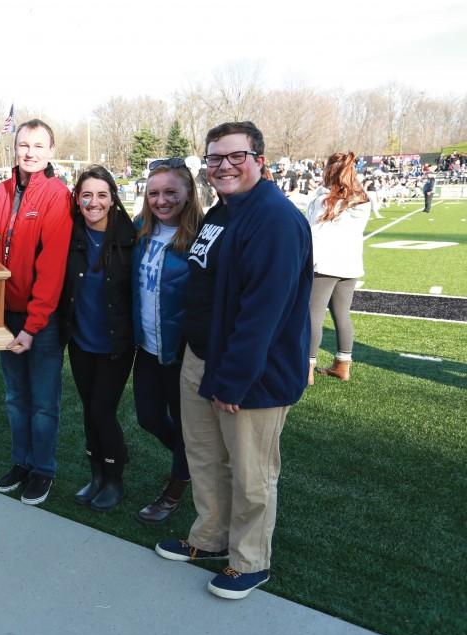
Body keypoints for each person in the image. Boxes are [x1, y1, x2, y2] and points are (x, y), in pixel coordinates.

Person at [154, 122, 312, 600]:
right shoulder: (222, 212)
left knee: (250, 473)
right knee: (205, 457)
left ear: (259, 159)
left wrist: (234, 379)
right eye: (215, 158)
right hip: (201, 358)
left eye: (234, 156)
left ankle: (250, 561)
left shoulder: (275, 219)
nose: (223, 166)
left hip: (249, 373)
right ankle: (210, 536)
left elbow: (263, 312)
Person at [0, 118, 73, 506]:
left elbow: (52, 267)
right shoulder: (1, 192)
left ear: (50, 151)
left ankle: (43, 469)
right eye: (24, 145)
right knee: (14, 397)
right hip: (6, 315)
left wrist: (34, 325)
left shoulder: (57, 195)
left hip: (42, 320)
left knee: (42, 401)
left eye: (39, 146)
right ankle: (21, 462)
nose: (30, 152)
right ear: (15, 147)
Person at [131, 158, 203, 524]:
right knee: (148, 417)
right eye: (154, 193)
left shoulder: (200, 236)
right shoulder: (140, 228)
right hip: (146, 347)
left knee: (185, 422)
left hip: (182, 352)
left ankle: (176, 485)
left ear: (188, 193)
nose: (161, 200)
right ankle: (193, 460)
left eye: (171, 192)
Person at [58, 166, 134, 511]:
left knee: (103, 410)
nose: (94, 202)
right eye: (86, 195)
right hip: (81, 341)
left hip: (115, 344)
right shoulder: (71, 235)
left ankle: (114, 477)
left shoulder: (129, 238)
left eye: (102, 194)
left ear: (113, 198)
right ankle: (96, 476)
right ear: (77, 199)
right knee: (89, 410)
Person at [306, 152, 370, 384]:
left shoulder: (323, 199)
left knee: (313, 315)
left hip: (324, 264)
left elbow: (311, 233)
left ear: (330, 171)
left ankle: (307, 367)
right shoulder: (362, 200)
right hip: (350, 264)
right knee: (342, 314)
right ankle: (343, 365)